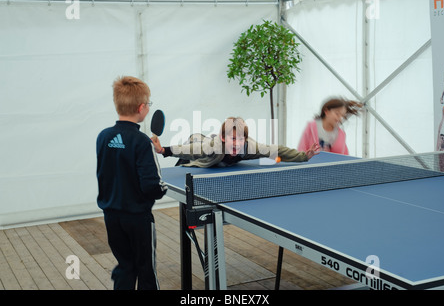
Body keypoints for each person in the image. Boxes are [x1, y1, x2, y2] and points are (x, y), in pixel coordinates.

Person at [96, 76, 167, 290]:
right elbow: (152, 186)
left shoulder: (103, 137)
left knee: (125, 267)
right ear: (142, 108)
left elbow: (106, 173)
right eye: (149, 104)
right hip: (138, 219)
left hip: (111, 216)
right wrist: (162, 188)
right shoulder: (141, 142)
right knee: (146, 270)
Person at [151, 117, 320, 167]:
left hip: (218, 155)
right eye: (233, 138)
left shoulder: (250, 147)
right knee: (196, 145)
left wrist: (304, 156)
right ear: (224, 138)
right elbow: (192, 149)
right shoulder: (214, 146)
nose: (237, 143)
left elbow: (278, 150)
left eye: (241, 138)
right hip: (202, 150)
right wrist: (163, 150)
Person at [297, 97, 363, 155]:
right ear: (326, 111)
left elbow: (344, 158)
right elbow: (301, 149)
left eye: (342, 116)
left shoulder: (341, 134)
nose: (339, 118)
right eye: (337, 114)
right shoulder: (311, 127)